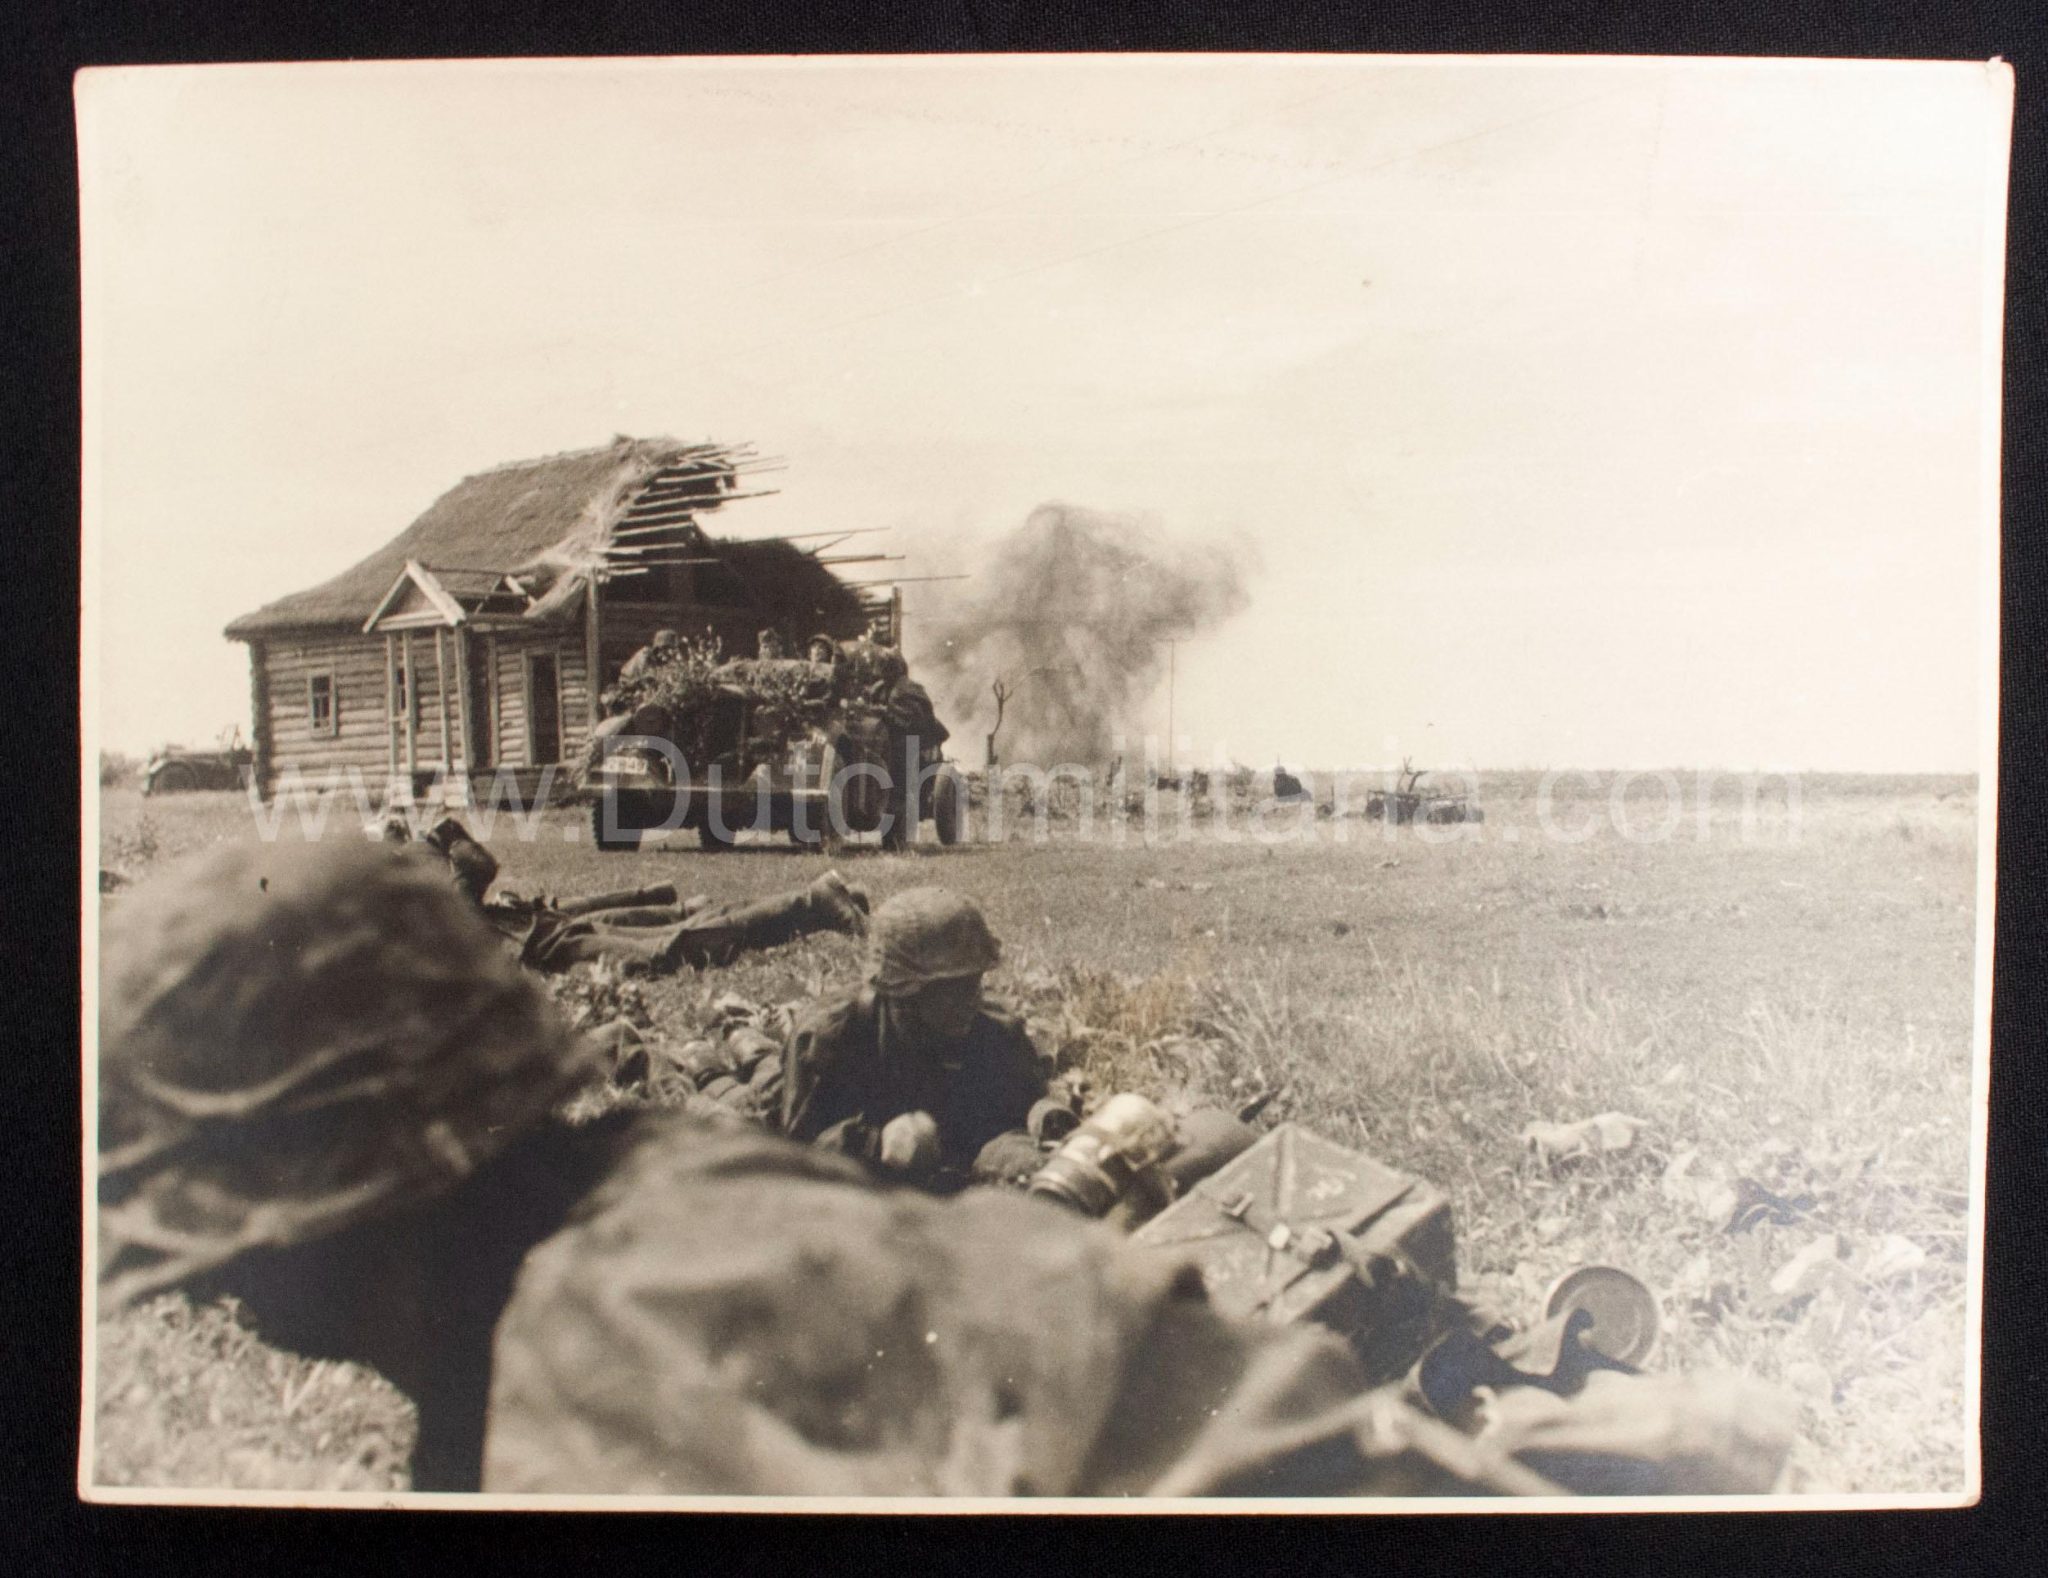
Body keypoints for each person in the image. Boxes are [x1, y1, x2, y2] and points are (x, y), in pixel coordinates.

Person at [779, 888, 1047, 1181]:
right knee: (753, 1085)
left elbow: (1019, 1118)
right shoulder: (827, 1038)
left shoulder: (996, 1032)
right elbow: (795, 1156)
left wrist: (1029, 1139)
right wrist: (875, 1144)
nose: (970, 1002)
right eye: (950, 991)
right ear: (902, 993)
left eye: (974, 983)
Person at [410, 814, 870, 974]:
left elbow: (477, 867)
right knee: (681, 934)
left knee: (670, 950)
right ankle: (822, 899)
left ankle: (816, 902)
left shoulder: (424, 914)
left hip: (547, 941)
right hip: (546, 937)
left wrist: (443, 836)